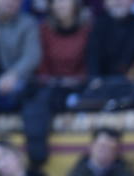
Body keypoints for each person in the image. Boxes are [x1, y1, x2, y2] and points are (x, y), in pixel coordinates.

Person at [21, 0, 89, 164]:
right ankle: (37, 153)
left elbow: (91, 62)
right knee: (35, 102)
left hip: (81, 87)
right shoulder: (44, 30)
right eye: (56, 2)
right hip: (51, 87)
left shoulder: (88, 30)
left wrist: (77, 80)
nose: (61, 5)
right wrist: (53, 81)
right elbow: (41, 64)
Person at [80, 0, 134, 110]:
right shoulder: (98, 26)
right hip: (105, 86)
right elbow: (93, 58)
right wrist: (95, 79)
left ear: (132, 2)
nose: (118, 2)